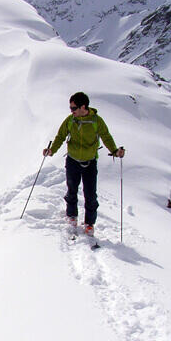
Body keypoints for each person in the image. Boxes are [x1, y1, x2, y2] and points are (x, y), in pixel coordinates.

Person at [44, 92, 125, 236]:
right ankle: (72, 216)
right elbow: (60, 136)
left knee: (90, 194)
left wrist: (114, 151)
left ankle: (89, 224)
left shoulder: (96, 121)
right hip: (72, 160)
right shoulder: (70, 120)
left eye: (73, 108)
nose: (71, 111)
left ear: (83, 107)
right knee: (72, 190)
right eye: (71, 108)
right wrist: (51, 151)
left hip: (90, 163)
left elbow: (106, 136)